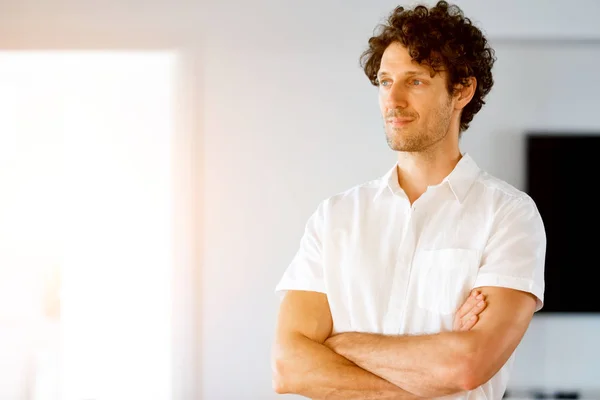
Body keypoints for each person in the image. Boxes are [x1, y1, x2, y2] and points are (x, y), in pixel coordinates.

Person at [271, 1, 546, 399]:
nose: (393, 100)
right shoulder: (335, 218)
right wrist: (431, 370)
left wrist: (340, 344)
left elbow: (466, 366)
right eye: (385, 81)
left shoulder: (508, 215)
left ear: (462, 90)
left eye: (415, 81)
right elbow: (288, 367)